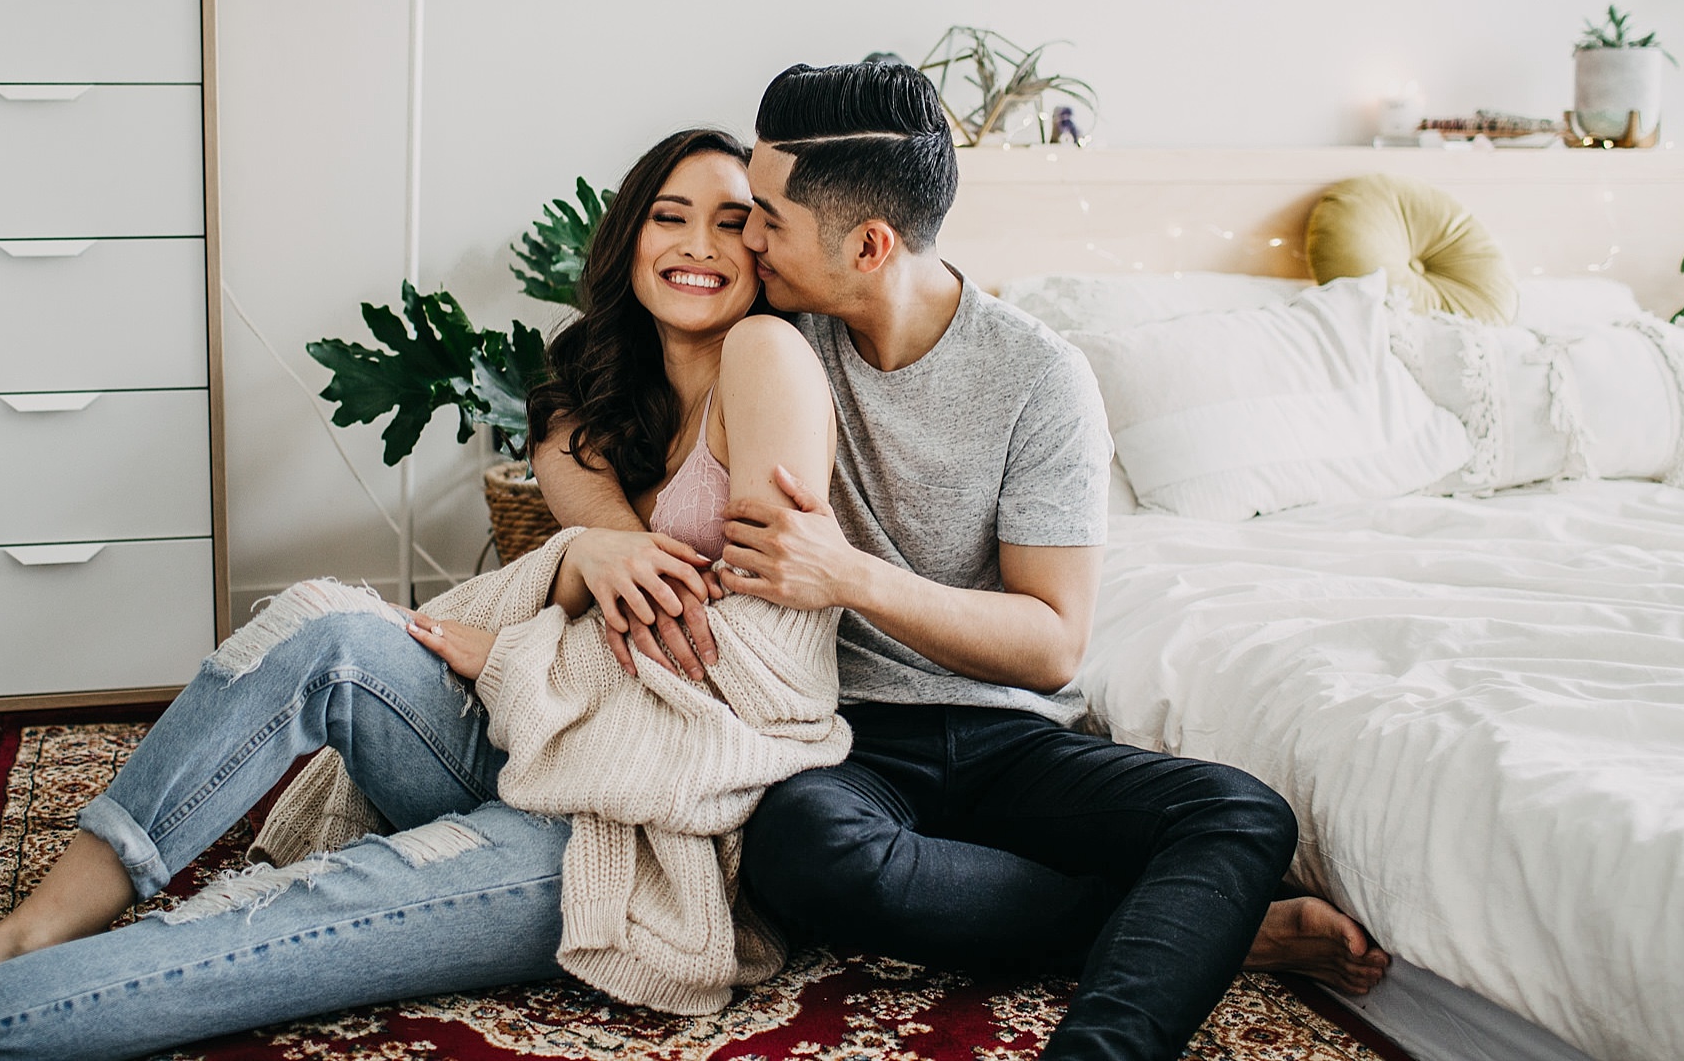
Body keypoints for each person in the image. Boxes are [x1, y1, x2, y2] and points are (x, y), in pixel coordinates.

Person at [0, 128, 844, 1061]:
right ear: (629, 238)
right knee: (328, 620)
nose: (699, 245)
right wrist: (577, 561)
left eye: (730, 220)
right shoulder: (598, 392)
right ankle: (26, 928)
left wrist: (522, 649)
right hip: (540, 739)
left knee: (301, 913)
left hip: (640, 831)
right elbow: (590, 531)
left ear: (763, 246)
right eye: (669, 215)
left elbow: (755, 655)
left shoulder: (763, 354)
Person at [534, 62, 1389, 1061]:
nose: (741, 239)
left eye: (761, 217)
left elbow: (1051, 643)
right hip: (841, 740)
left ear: (868, 244)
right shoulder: (771, 332)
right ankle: (1195, 929)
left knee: (1240, 812)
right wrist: (600, 535)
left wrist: (847, 574)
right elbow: (588, 390)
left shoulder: (1040, 378)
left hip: (1005, 739)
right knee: (805, 857)